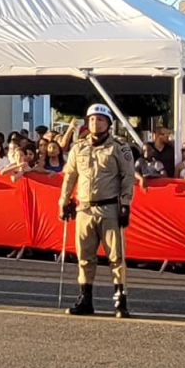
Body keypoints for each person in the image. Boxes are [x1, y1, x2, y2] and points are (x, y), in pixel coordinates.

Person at [58, 104, 135, 318]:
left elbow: (128, 177)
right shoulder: (79, 148)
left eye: (100, 119)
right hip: (84, 208)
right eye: (92, 119)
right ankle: (85, 298)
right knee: (84, 256)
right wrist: (63, 201)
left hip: (109, 207)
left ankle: (120, 299)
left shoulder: (119, 147)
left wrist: (126, 204)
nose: (95, 123)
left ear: (108, 123)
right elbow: (70, 176)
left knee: (116, 256)